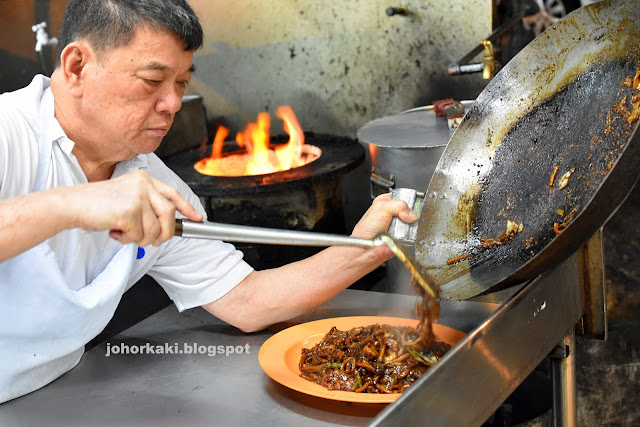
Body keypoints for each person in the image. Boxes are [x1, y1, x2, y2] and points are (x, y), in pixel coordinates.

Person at [0, 0, 418, 404]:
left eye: (181, 83)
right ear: (76, 67)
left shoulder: (151, 183)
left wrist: (368, 247)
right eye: (151, 81)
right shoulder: (9, 133)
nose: (173, 104)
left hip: (49, 398)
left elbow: (248, 300)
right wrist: (75, 204)